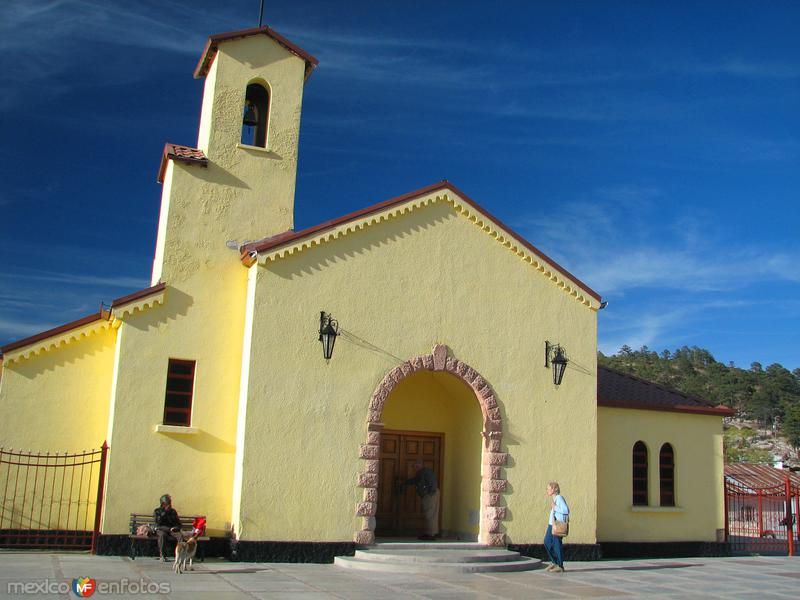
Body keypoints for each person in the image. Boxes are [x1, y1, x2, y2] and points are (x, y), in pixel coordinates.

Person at [402, 459, 440, 540]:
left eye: (415, 466)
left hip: (430, 495)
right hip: (429, 494)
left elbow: (432, 484)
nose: (414, 468)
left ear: (419, 465)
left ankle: (431, 534)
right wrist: (404, 483)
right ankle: (429, 533)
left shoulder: (426, 472)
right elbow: (415, 480)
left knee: (430, 514)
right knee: (429, 514)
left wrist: (428, 493)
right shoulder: (421, 473)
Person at [544, 481, 569, 573]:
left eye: (549, 488)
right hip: (552, 524)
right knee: (547, 541)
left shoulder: (559, 498)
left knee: (557, 544)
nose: (547, 490)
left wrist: (555, 507)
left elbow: (566, 510)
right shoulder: (555, 499)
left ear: (554, 489)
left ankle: (560, 565)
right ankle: (554, 562)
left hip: (558, 525)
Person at [154, 494, 182, 561]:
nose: (170, 504)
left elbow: (179, 523)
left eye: (170, 502)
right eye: (168, 503)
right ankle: (162, 555)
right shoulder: (157, 511)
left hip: (172, 530)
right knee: (162, 535)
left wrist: (176, 528)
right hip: (162, 529)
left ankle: (180, 555)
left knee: (180, 536)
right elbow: (158, 523)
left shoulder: (173, 511)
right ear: (163, 504)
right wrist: (164, 512)